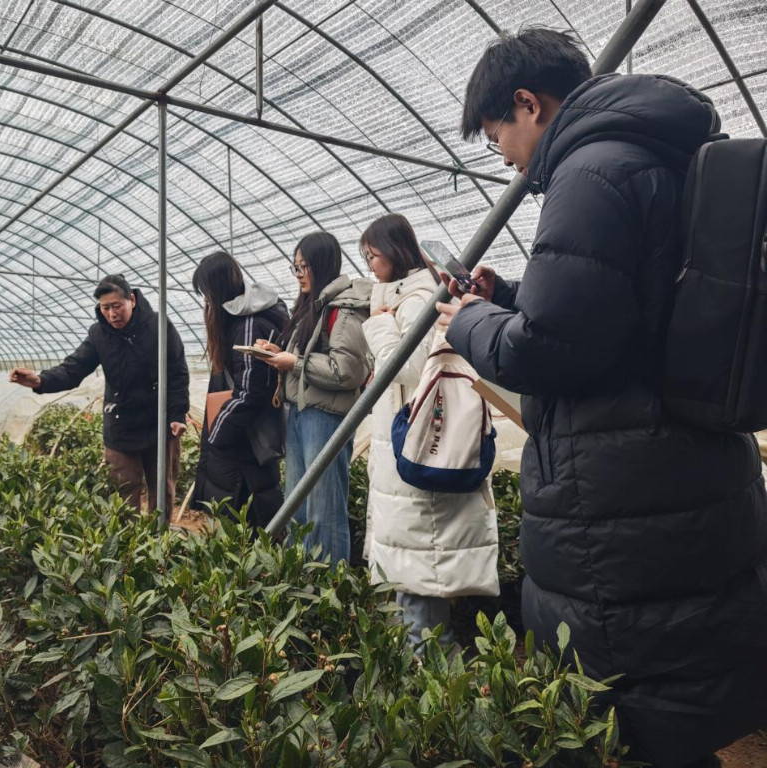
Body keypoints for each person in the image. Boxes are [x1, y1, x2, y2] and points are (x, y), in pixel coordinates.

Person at [437, 28, 767, 768]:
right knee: (672, 714)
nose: (506, 158)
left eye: (499, 137)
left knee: (623, 719)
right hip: (686, 466)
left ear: (529, 103)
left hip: (619, 499)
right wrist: (514, 295)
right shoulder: (663, 154)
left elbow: (550, 349)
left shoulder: (592, 170)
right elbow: (634, 310)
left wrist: (470, 321)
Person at [360, 213, 499, 649]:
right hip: (406, 454)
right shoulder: (400, 294)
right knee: (412, 586)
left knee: (421, 592)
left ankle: (438, 699)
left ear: (397, 253)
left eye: (375, 256)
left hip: (421, 452)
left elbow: (412, 366)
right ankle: (429, 692)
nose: (370, 266)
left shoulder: (421, 296)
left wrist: (379, 325)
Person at [10, 274, 189, 516]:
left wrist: (177, 414)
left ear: (132, 300)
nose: (112, 314)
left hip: (159, 422)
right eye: (106, 308)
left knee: (162, 493)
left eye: (117, 306)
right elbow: (73, 369)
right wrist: (40, 380)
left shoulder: (159, 326)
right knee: (124, 493)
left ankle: (161, 543)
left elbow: (177, 372)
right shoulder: (99, 335)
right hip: (121, 426)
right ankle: (129, 550)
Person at [257, 232, 372, 564]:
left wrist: (294, 363)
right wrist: (280, 353)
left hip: (325, 417)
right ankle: (301, 579)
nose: (299, 274)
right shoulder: (311, 306)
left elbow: (346, 370)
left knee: (325, 509)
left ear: (323, 264)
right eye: (295, 267)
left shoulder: (345, 310)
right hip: (300, 412)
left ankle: (330, 588)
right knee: (298, 504)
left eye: (304, 266)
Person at [190, 252, 288, 528]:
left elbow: (249, 393)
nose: (207, 302)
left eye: (207, 294)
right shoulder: (242, 320)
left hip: (243, 445)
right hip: (241, 443)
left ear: (217, 289)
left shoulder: (248, 324)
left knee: (246, 524)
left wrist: (217, 433)